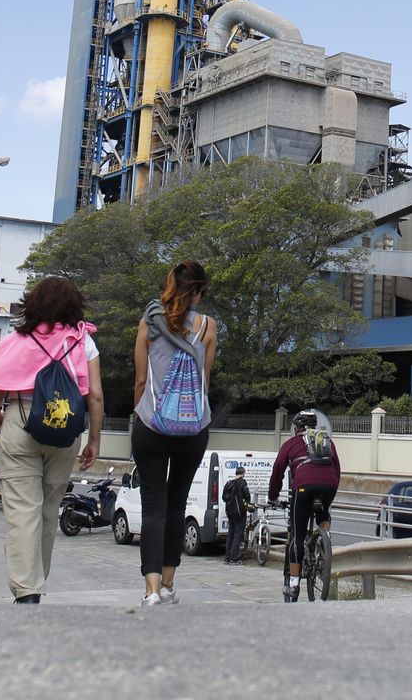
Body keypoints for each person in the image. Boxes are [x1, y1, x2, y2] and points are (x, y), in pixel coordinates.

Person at [0, 275, 103, 604]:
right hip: (66, 429)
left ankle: (28, 591)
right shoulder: (84, 342)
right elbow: (95, 396)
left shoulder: (17, 341)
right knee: (49, 512)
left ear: (33, 304)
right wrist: (94, 439)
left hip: (21, 421)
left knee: (23, 511)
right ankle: (36, 581)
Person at [132, 260, 218, 607]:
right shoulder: (209, 327)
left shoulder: (148, 322)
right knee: (177, 504)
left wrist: (140, 415)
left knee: (152, 506)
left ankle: (150, 589)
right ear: (197, 291)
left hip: (151, 425)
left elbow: (140, 380)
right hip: (193, 428)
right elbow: (204, 383)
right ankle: (168, 583)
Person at [267, 408, 341, 602]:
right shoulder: (328, 442)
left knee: (297, 536)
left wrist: (273, 496)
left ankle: (293, 584)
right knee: (324, 515)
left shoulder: (291, 444)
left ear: (297, 427)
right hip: (330, 485)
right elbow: (337, 469)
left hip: (303, 487)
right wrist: (329, 493)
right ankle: (324, 541)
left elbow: (277, 471)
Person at [221, 469, 252, 565]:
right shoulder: (242, 482)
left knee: (231, 533)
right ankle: (234, 558)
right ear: (243, 474)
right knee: (238, 534)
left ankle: (227, 557)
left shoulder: (229, 483)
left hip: (230, 512)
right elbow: (247, 496)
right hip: (239, 512)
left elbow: (224, 497)